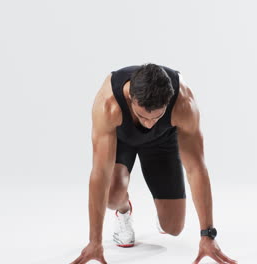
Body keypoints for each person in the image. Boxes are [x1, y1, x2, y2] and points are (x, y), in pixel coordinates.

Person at [70, 64, 237, 264]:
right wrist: (94, 241)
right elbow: (100, 173)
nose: (149, 124)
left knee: (173, 228)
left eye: (156, 116)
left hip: (162, 141)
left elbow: (196, 169)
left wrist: (207, 235)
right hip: (123, 139)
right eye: (142, 116)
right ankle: (124, 211)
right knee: (112, 196)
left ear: (169, 102)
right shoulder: (109, 105)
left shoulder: (184, 104)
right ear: (131, 98)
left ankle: (164, 211)